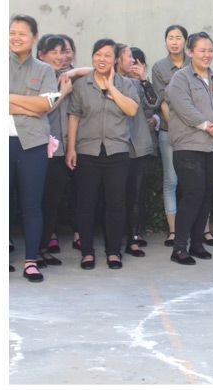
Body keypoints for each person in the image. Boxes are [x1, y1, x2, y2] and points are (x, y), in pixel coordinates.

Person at [66, 39, 139, 270]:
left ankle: (113, 252)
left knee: (116, 204)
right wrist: (71, 148)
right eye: (98, 54)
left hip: (117, 151)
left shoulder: (126, 84)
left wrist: (112, 88)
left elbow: (132, 109)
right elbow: (74, 116)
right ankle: (87, 252)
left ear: (115, 59)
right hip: (87, 151)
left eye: (107, 55)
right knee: (86, 204)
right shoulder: (82, 85)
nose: (102, 59)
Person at [165, 32, 213, 265]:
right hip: (189, 146)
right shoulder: (180, 78)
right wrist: (210, 127)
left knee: (206, 196)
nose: (207, 54)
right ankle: (179, 248)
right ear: (190, 52)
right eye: (202, 50)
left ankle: (197, 244)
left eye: (210, 50)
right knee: (193, 194)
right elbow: (184, 108)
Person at [9, 15, 58, 281]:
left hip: (33, 144)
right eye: (12, 32)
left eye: (22, 33)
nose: (16, 37)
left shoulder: (45, 70)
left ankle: (31, 260)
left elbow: (46, 105)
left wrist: (8, 99)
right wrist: (30, 104)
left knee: (31, 204)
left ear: (34, 37)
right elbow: (36, 105)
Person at [36, 34, 83, 266]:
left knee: (52, 202)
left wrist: (72, 73)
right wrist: (63, 92)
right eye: (53, 52)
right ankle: (35, 250)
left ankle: (44, 248)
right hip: (40, 148)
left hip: (63, 149)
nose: (59, 57)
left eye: (62, 52)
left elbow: (93, 70)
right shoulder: (38, 77)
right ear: (41, 55)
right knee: (37, 203)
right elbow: (42, 108)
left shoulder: (66, 76)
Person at [116, 44, 159, 256]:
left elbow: (153, 102)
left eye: (137, 60)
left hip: (139, 145)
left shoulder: (138, 84)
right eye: (129, 57)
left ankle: (134, 236)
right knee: (116, 196)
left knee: (136, 195)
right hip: (116, 144)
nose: (133, 62)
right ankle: (116, 237)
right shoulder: (107, 81)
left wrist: (143, 80)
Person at [151, 25, 189, 248]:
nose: (174, 42)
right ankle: (173, 231)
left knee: (194, 182)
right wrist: (175, 128)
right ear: (165, 41)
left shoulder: (194, 63)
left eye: (178, 38)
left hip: (195, 133)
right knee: (171, 180)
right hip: (170, 131)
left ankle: (201, 229)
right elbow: (162, 101)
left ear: (185, 41)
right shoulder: (159, 67)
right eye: (170, 38)